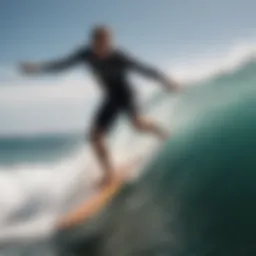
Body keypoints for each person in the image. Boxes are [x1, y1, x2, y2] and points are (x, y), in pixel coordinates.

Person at [20, 25, 181, 187]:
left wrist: (166, 81)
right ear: (94, 42)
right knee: (95, 136)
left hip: (126, 94)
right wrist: (38, 68)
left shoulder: (119, 56)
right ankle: (109, 172)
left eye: (109, 42)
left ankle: (162, 133)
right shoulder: (85, 54)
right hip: (110, 97)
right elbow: (62, 65)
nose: (108, 46)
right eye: (104, 42)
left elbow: (144, 69)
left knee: (137, 124)